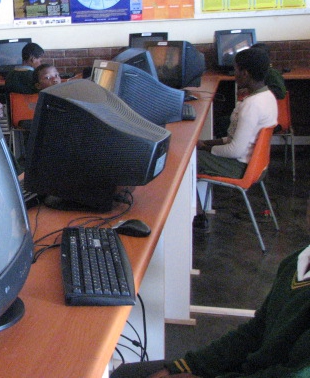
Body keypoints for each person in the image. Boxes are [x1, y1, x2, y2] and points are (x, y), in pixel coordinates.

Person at [110, 241, 310, 377]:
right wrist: (185, 366)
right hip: (251, 369)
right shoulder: (297, 260)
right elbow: (255, 331)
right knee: (126, 374)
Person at [194, 47, 278, 230]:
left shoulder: (251, 105)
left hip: (241, 167)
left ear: (245, 73)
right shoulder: (268, 96)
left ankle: (197, 217)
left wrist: (205, 148)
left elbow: (235, 150)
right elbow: (235, 139)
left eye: (236, 69)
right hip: (257, 165)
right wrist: (205, 143)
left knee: (186, 162)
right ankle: (198, 214)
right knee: (192, 154)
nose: (235, 74)